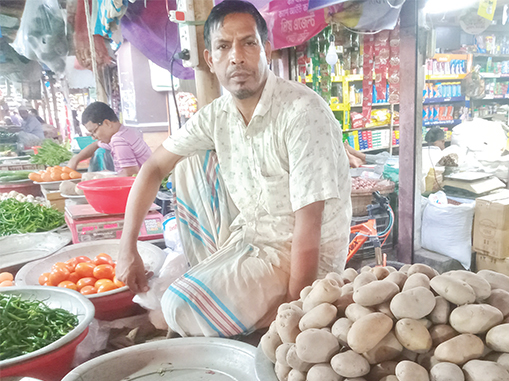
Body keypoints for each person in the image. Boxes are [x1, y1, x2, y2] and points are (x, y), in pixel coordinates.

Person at [115, 0, 352, 337]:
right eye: (224, 46)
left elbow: (309, 229)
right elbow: (153, 167)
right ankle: (225, 290)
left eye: (249, 43)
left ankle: (265, 315)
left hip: (300, 257)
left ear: (266, 50)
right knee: (188, 163)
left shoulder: (301, 112)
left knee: (173, 308)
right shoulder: (218, 114)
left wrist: (296, 312)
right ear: (210, 59)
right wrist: (128, 247)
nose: (237, 57)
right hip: (251, 235)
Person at [67, 102, 151, 176]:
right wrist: (75, 159)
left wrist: (105, 176)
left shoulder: (118, 140)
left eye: (94, 131)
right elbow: (96, 144)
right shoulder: (125, 132)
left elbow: (131, 174)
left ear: (107, 123)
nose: (93, 137)